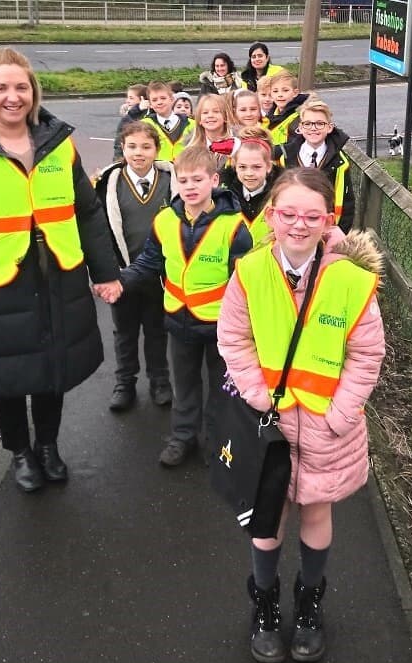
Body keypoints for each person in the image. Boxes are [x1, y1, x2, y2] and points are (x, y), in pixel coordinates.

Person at [0, 47, 121, 493]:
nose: (12, 97)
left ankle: (49, 447)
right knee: (8, 375)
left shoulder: (60, 145)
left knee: (52, 369)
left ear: (33, 93)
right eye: (1, 88)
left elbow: (88, 213)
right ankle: (20, 451)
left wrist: (105, 272)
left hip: (59, 275)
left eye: (21, 87)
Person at [216, 167, 385, 663]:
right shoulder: (250, 271)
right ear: (271, 216)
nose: (298, 224)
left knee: (317, 512)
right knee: (266, 519)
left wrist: (340, 412)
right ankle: (265, 604)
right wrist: (255, 393)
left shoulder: (353, 282)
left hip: (327, 426)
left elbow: (366, 354)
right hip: (267, 424)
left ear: (328, 219)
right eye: (287, 213)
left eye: (311, 215)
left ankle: (309, 603)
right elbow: (234, 338)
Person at [117, 146, 253, 467]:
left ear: (214, 180)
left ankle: (219, 443)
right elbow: (150, 259)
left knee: (222, 389)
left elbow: (244, 280)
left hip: (221, 325)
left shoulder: (234, 226)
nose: (190, 186)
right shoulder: (164, 219)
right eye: (183, 180)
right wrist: (122, 280)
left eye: (197, 179)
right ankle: (182, 437)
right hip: (178, 321)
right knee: (185, 384)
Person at [95, 121, 175, 411]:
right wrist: (102, 273)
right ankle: (125, 382)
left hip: (159, 276)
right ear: (122, 148)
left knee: (157, 330)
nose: (138, 153)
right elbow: (99, 231)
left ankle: (160, 380)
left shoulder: (173, 182)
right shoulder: (108, 184)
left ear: (156, 150)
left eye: (145, 147)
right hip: (122, 275)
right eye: (131, 146)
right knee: (124, 332)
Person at [277, 98, 355, 233]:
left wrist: (337, 232)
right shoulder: (285, 159)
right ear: (300, 128)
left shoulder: (340, 164)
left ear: (329, 127)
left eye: (320, 123)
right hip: (292, 228)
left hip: (324, 229)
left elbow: (346, 204)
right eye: (307, 124)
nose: (313, 128)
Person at [220, 126, 282, 244]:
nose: (249, 174)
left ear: (268, 166)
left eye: (256, 167)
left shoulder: (283, 195)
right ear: (235, 165)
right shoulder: (223, 195)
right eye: (242, 167)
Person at [119, 80, 194, 162]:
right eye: (154, 100)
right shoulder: (145, 125)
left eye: (163, 98)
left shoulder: (191, 124)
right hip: (159, 171)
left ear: (172, 99)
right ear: (150, 104)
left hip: (186, 170)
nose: (159, 102)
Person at [187, 93, 240, 170]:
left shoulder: (237, 143)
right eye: (205, 113)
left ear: (225, 117)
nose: (210, 115)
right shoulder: (190, 148)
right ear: (199, 120)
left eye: (216, 111)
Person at [265, 69, 310, 147]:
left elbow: (295, 148)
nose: (280, 95)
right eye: (275, 91)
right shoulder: (270, 115)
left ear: (295, 93)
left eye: (285, 90)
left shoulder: (299, 117)